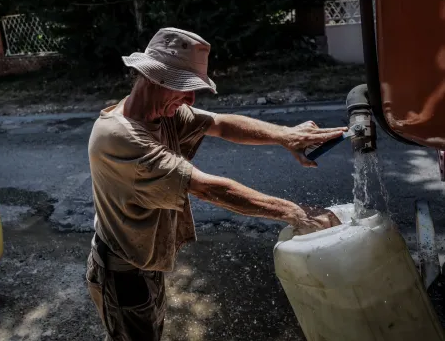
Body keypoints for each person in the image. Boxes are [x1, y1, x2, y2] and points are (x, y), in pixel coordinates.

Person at [86, 27, 344, 341]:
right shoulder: (121, 137)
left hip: (145, 263)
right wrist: (294, 213)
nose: (191, 98)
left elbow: (221, 124)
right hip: (123, 273)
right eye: (183, 87)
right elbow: (208, 188)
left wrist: (286, 136)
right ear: (155, 78)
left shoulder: (159, 111)